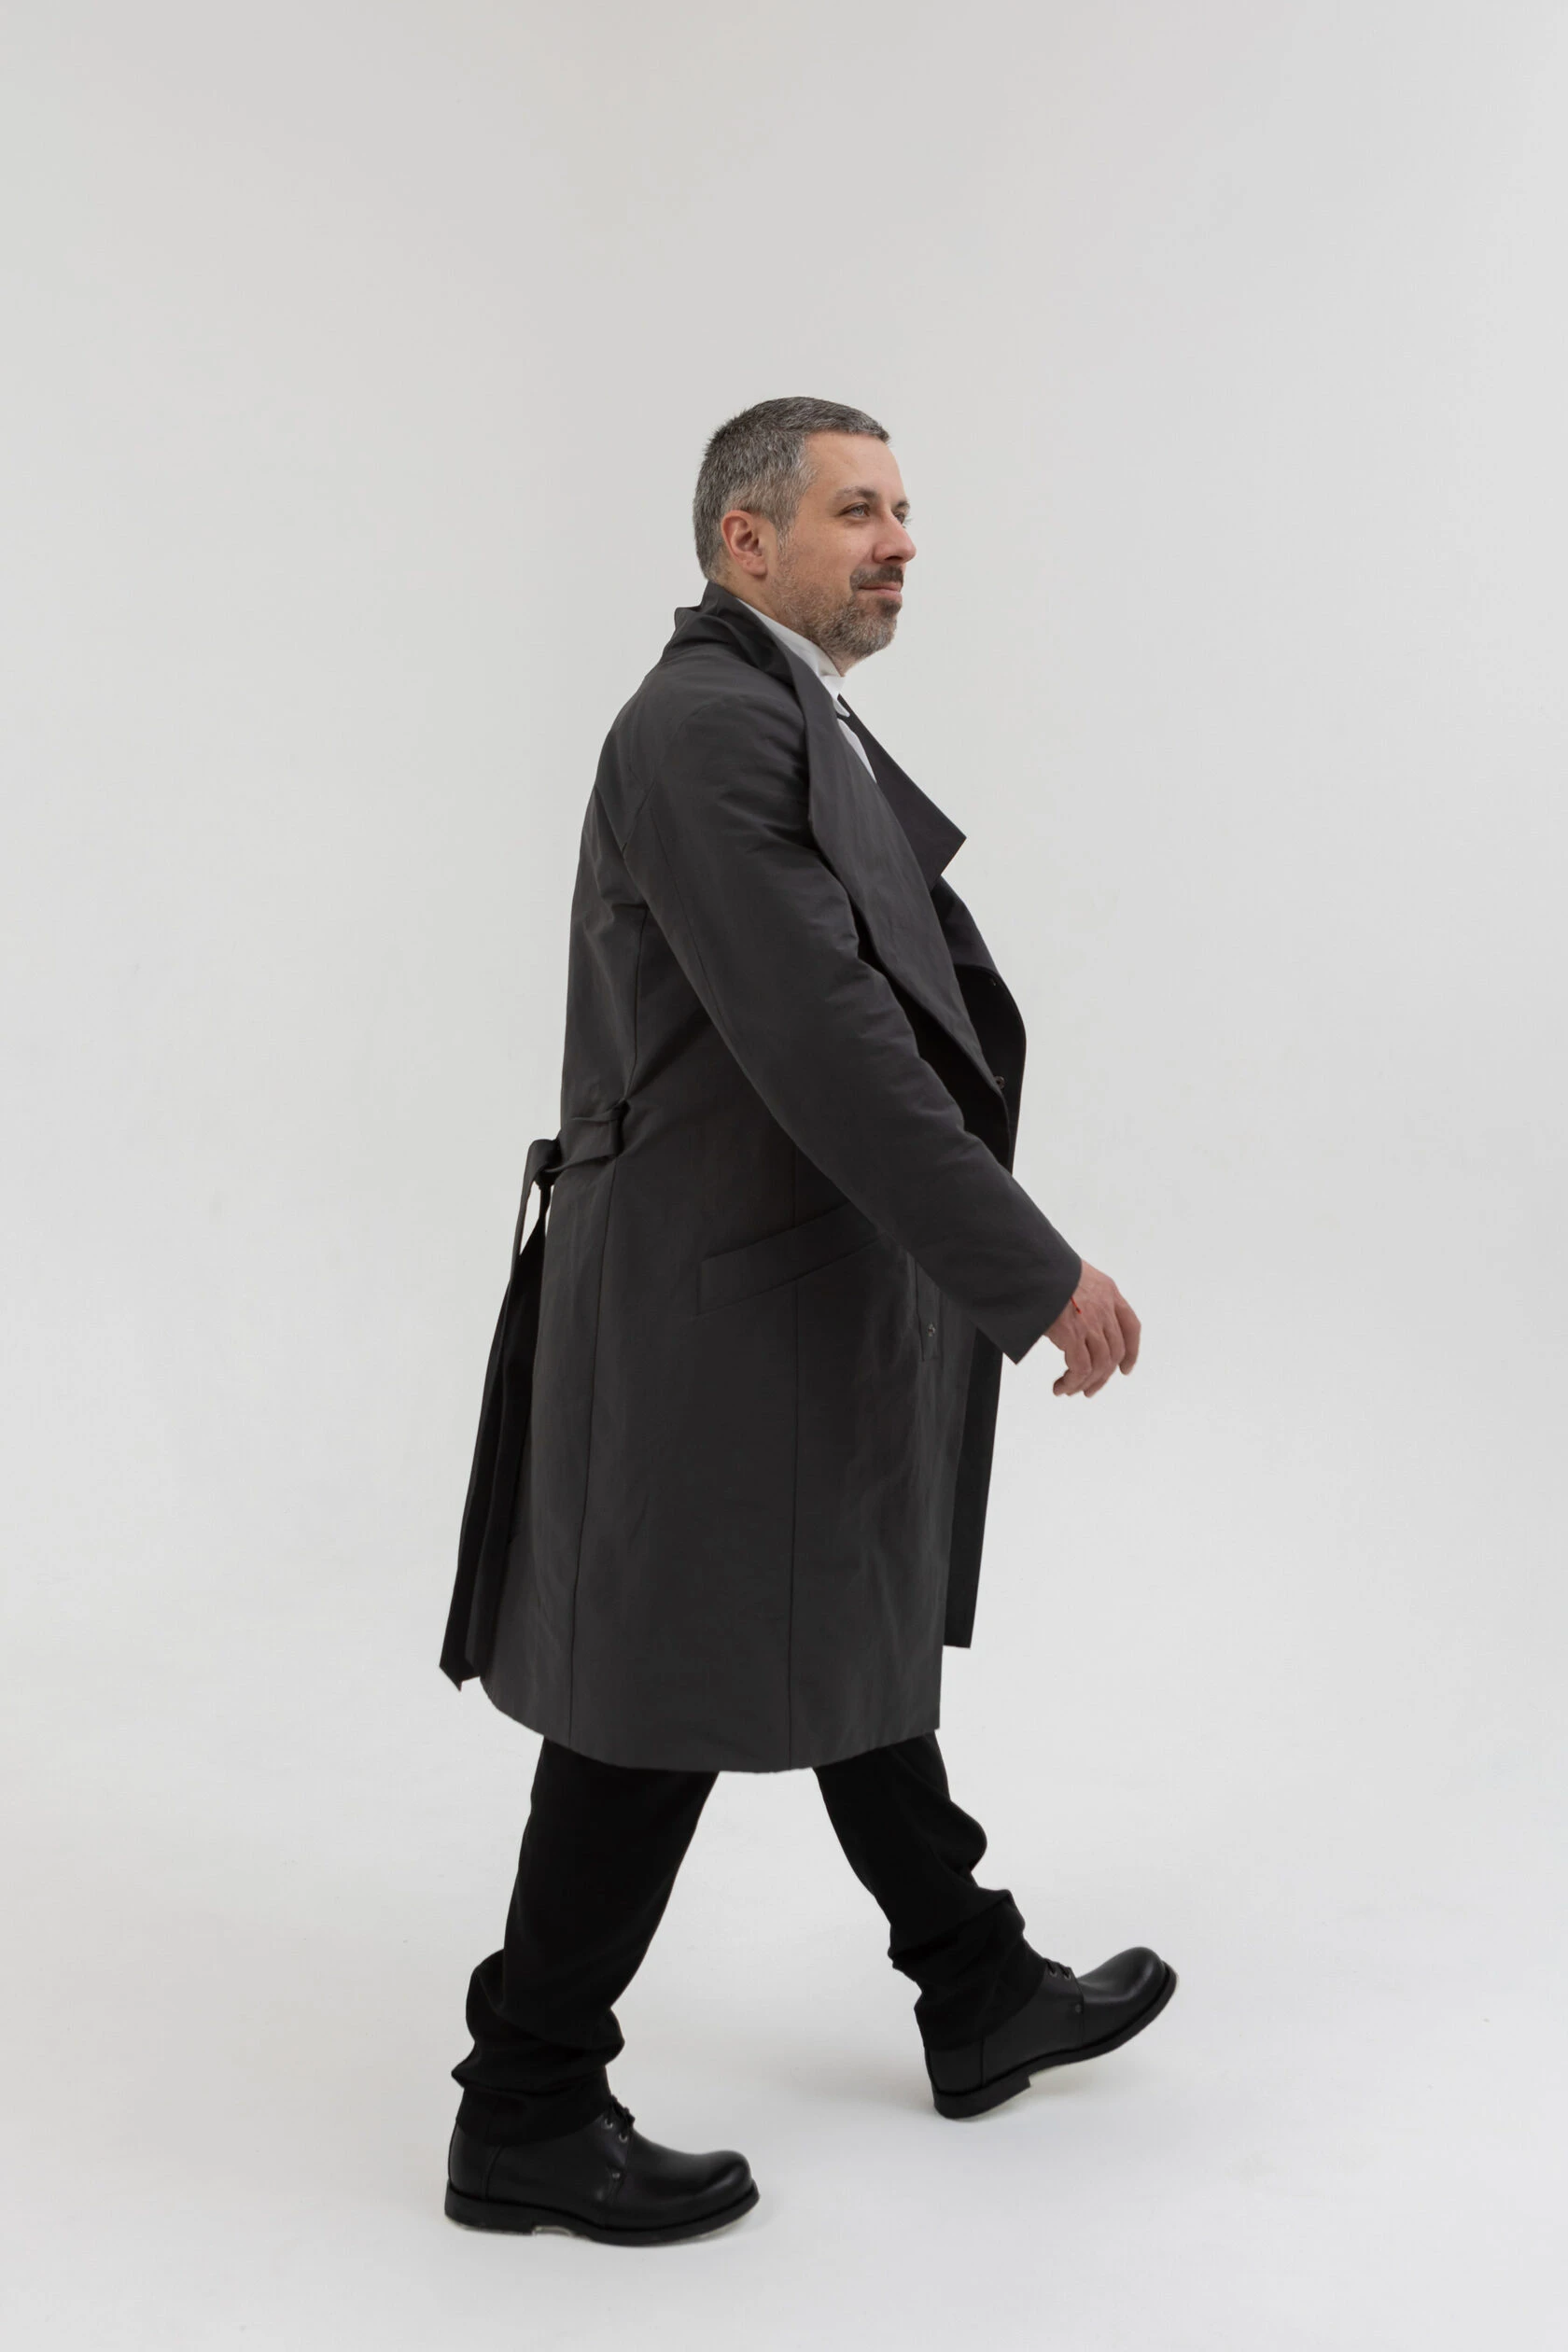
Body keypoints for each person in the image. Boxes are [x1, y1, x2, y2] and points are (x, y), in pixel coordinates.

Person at [438, 396, 1174, 2247]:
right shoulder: (705, 724)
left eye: (904, 509)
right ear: (744, 541)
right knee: (655, 1695)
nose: (900, 540)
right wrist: (1026, 1268)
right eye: (858, 510)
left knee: (836, 1625)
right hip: (716, 1300)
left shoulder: (783, 710)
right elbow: (826, 1035)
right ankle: (525, 2103)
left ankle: (974, 1983)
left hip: (776, 1280)